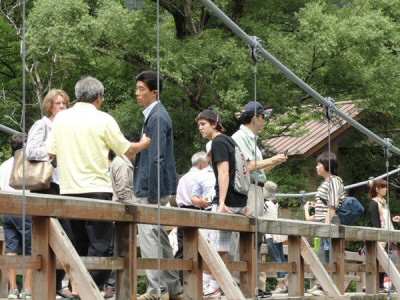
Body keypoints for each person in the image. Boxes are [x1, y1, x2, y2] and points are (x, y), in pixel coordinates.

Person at [46, 76, 151, 297]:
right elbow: (127, 150)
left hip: (68, 190)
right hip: (96, 189)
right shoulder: (104, 119)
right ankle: (87, 291)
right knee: (102, 247)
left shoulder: (61, 119)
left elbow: (51, 152)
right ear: (99, 98)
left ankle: (79, 289)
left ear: (76, 96)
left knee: (78, 247)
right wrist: (145, 143)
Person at [133, 70, 183, 300]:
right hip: (157, 185)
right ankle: (174, 288)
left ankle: (156, 290)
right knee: (160, 237)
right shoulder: (155, 115)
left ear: (155, 92)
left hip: (152, 187)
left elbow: (157, 157)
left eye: (141, 89)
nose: (137, 93)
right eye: (137, 88)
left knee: (149, 236)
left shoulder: (157, 117)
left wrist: (152, 193)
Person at [231, 101, 287, 295]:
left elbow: (258, 169)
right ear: (255, 117)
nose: (265, 121)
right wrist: (272, 160)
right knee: (247, 235)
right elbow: (249, 166)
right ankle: (241, 284)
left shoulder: (251, 138)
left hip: (257, 189)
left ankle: (252, 285)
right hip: (249, 190)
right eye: (264, 117)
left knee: (255, 238)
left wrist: (275, 162)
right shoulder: (239, 137)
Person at [25, 89, 75, 299]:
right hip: (46, 184)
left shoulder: (67, 127)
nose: (62, 107)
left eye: (64, 103)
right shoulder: (42, 124)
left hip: (65, 185)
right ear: (49, 106)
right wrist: (52, 152)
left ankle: (54, 284)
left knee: (65, 237)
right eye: (57, 103)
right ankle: (50, 285)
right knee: (58, 236)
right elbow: (30, 151)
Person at [196, 108, 247, 298]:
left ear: (214, 124)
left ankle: (215, 285)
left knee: (218, 246)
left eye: (203, 124)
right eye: (199, 125)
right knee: (215, 244)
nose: (200, 128)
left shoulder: (217, 143)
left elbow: (224, 172)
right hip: (239, 198)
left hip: (227, 199)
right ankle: (210, 283)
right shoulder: (230, 141)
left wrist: (223, 202)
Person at [304, 151, 346, 296]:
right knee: (322, 254)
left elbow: (333, 203)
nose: (316, 167)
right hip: (324, 221)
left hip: (329, 222)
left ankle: (324, 286)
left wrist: (327, 223)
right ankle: (321, 284)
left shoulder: (334, 180)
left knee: (325, 254)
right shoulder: (327, 182)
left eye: (319, 164)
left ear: (326, 165)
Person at [0, 133, 32, 299]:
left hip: (7, 211)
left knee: (12, 249)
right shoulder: (26, 164)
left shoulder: (4, 165)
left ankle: (12, 289)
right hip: (24, 209)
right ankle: (27, 289)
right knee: (31, 249)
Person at [174, 151, 209, 284]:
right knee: (201, 249)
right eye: (207, 163)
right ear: (202, 163)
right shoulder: (202, 176)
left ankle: (179, 282)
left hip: (182, 212)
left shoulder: (183, 178)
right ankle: (199, 283)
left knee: (182, 248)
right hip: (197, 211)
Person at [368, 179, 393, 291]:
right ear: (377, 189)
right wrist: (379, 237)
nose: (386, 189)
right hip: (380, 236)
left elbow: (386, 219)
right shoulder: (374, 203)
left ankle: (381, 285)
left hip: (387, 235)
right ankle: (377, 285)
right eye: (383, 187)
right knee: (378, 260)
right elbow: (375, 222)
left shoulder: (384, 202)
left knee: (385, 260)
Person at [263, 181, 288, 294]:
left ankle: (281, 284)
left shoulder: (265, 204)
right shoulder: (275, 203)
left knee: (276, 259)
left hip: (270, 235)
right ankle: (286, 283)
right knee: (281, 258)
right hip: (278, 233)